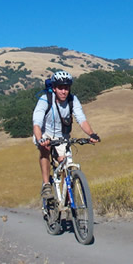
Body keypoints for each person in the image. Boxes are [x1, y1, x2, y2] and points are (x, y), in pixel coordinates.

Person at [32, 70, 99, 199]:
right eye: (60, 88)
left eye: (66, 88)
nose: (64, 91)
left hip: (62, 136)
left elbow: (82, 120)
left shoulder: (73, 100)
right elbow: (37, 124)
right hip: (45, 133)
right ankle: (46, 184)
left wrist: (92, 134)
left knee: (66, 165)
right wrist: (40, 139)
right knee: (45, 149)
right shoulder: (45, 99)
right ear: (54, 88)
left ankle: (68, 200)